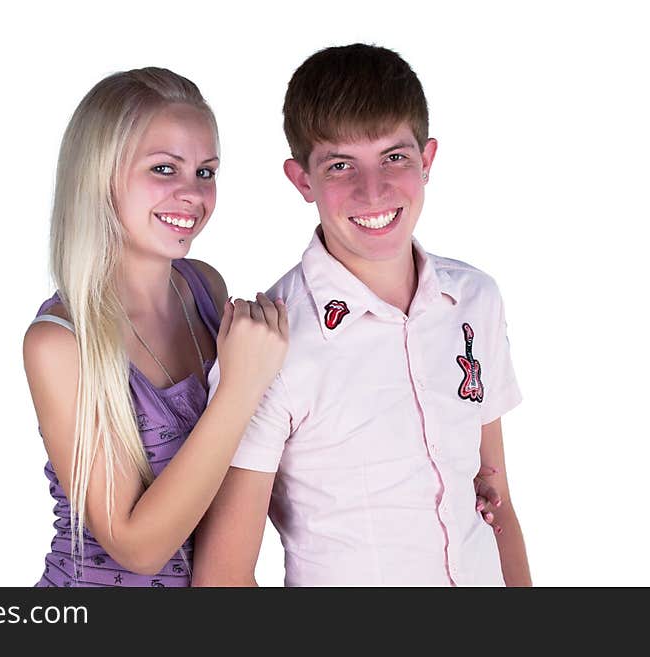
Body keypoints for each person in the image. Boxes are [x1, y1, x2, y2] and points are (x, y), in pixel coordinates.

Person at [192, 44, 532, 586]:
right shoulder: (270, 342)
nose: (372, 191)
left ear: (428, 160)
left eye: (394, 157)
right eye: (340, 165)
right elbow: (224, 577)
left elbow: (498, 507)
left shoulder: (475, 301)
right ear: (302, 180)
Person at [23, 67, 289, 587]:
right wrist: (240, 389)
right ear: (100, 176)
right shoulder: (59, 343)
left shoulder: (204, 290)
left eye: (205, 173)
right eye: (165, 169)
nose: (192, 194)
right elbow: (137, 547)